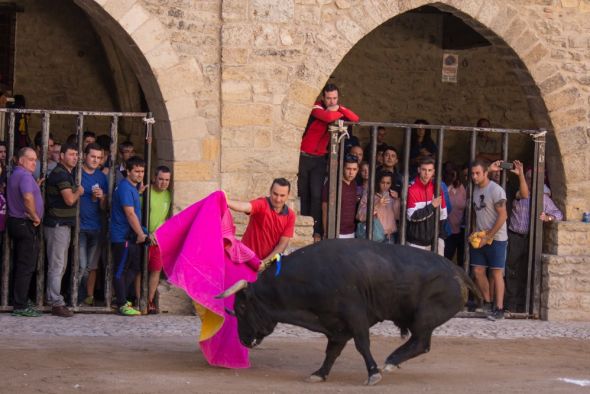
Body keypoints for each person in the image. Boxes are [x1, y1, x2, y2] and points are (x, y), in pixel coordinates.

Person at [298, 83, 359, 242]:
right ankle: (304, 229)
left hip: (319, 159)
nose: (332, 101)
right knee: (304, 194)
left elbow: (355, 119)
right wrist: (336, 111)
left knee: (317, 195)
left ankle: (316, 230)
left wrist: (339, 108)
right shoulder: (316, 107)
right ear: (323, 98)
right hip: (304, 157)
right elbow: (328, 117)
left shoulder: (335, 108)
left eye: (335, 98)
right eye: (329, 98)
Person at [503, 163, 562, 312]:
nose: (530, 181)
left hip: (531, 239)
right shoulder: (519, 193)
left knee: (526, 271)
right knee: (511, 271)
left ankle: (524, 305)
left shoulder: (542, 198)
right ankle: (511, 306)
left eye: (533, 178)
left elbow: (559, 214)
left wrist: (548, 217)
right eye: (528, 178)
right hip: (515, 237)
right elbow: (523, 193)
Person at [44, 143, 84, 317]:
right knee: (57, 264)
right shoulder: (61, 174)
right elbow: (69, 200)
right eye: (71, 154)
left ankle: (52, 297)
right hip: (57, 225)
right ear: (61, 156)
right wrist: (79, 192)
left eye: (77, 154)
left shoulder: (67, 173)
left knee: (60, 264)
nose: (75, 157)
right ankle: (56, 302)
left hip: (62, 225)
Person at [469, 159, 508, 321]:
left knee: (497, 272)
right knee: (478, 271)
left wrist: (489, 236)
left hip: (497, 238)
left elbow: (503, 216)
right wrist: (475, 232)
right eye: (472, 173)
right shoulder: (476, 190)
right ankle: (488, 302)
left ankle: (499, 309)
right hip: (480, 237)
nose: (474, 176)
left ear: (486, 173)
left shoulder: (496, 190)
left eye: (478, 173)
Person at [7, 148, 44, 316]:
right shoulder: (25, 176)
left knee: (20, 263)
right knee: (26, 265)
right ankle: (20, 305)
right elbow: (27, 198)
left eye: (35, 160)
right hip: (25, 223)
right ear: (21, 160)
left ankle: (18, 299)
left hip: (15, 222)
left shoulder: (16, 174)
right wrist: (35, 216)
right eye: (30, 159)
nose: (34, 163)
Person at [110, 156, 147, 316]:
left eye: (142, 171)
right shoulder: (125, 188)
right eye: (137, 171)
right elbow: (130, 213)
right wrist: (140, 234)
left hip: (130, 236)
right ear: (128, 171)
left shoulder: (131, 188)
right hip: (123, 236)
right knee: (121, 270)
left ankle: (122, 296)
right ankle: (121, 303)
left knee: (134, 268)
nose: (140, 175)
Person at [227, 178, 296, 261]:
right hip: (245, 259)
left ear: (288, 195)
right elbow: (244, 206)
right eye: (275, 194)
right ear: (270, 191)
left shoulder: (290, 215)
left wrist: (265, 263)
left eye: (282, 195)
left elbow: (282, 245)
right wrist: (226, 201)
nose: (278, 199)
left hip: (268, 264)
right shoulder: (262, 204)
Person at [78, 143, 108, 306]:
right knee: (81, 266)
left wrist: (102, 197)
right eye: (93, 156)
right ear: (85, 156)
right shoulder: (77, 173)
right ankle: (76, 296)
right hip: (80, 227)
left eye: (99, 157)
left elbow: (104, 207)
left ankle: (87, 297)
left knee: (92, 266)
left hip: (96, 226)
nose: (96, 160)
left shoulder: (102, 177)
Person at [406, 156, 447, 255]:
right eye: (424, 169)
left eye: (429, 170)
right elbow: (412, 217)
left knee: (437, 270)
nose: (426, 173)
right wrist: (432, 206)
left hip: (433, 242)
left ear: (433, 172)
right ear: (419, 170)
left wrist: (439, 238)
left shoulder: (437, 189)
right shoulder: (411, 189)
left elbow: (443, 215)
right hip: (415, 243)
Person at [146, 166, 172, 314]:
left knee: (156, 270)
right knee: (138, 270)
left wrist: (158, 231)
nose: (163, 183)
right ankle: (136, 298)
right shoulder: (146, 192)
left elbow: (166, 218)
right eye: (161, 179)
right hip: (143, 236)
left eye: (167, 180)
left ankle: (149, 300)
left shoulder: (168, 195)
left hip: (158, 239)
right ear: (155, 177)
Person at [357, 171, 400, 243]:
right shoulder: (369, 195)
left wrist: (397, 199)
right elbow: (360, 215)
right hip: (373, 234)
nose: (385, 185)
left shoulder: (393, 196)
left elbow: (398, 216)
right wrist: (377, 204)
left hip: (389, 236)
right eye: (382, 182)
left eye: (388, 183)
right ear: (377, 182)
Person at [322, 155, 359, 239]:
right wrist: (326, 232)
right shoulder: (333, 184)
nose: (351, 173)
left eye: (354, 169)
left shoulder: (354, 184)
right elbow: (325, 209)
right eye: (348, 169)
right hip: (335, 232)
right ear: (342, 168)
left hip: (351, 232)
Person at [443, 164, 467, 266]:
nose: (452, 176)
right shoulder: (442, 187)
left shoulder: (462, 188)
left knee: (462, 261)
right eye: (449, 173)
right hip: (447, 231)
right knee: (445, 260)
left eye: (453, 173)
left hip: (461, 230)